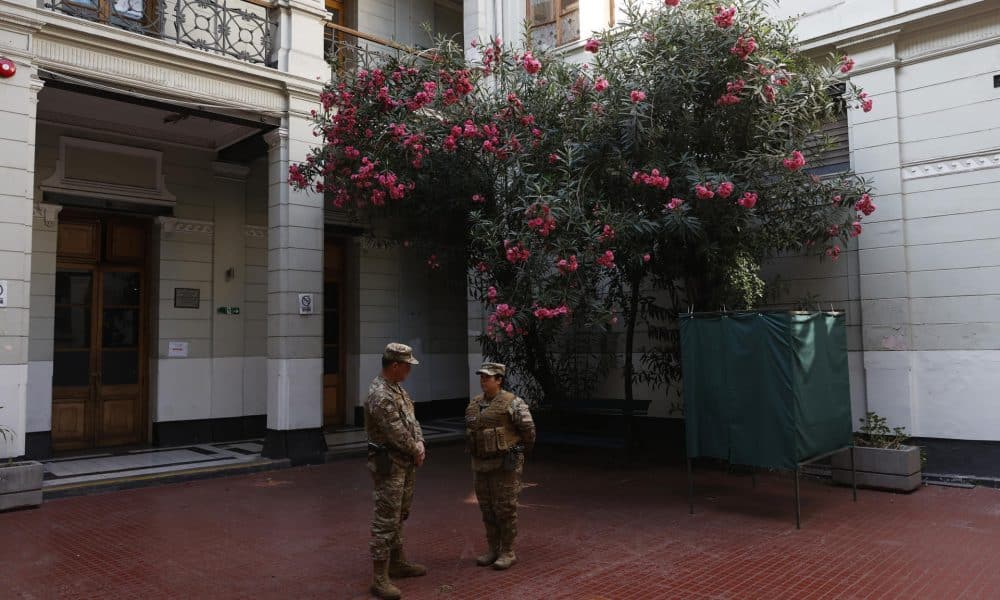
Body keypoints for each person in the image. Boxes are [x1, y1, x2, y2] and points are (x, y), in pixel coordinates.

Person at [365, 343, 427, 600]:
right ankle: (380, 578)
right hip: (389, 464)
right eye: (407, 366)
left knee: (400, 513)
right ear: (394, 366)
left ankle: (398, 562)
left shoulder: (397, 389)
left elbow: (412, 421)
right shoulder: (380, 394)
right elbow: (395, 432)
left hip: (405, 462)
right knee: (385, 519)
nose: (409, 370)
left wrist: (420, 443)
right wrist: (415, 449)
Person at [465, 362, 536, 570]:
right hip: (480, 465)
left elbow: (528, 430)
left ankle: (508, 551)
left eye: (488, 377)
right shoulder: (474, 403)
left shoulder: (512, 403)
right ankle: (492, 548)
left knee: (505, 509)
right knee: (487, 509)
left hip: (504, 466)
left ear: (499, 380)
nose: (483, 381)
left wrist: (518, 452)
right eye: (482, 377)